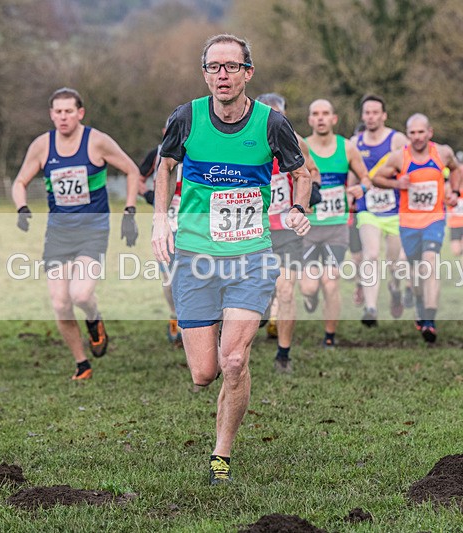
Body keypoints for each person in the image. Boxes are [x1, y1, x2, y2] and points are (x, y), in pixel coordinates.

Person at [150, 34, 311, 485]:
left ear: (247, 73)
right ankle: (220, 341)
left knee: (234, 362)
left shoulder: (271, 124)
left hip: (250, 256)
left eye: (232, 66)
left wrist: (298, 208)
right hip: (197, 256)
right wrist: (161, 220)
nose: (223, 74)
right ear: (205, 74)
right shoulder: (187, 117)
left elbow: (301, 173)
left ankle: (221, 453)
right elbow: (164, 166)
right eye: (214, 67)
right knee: (204, 373)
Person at [11, 87, 142, 380]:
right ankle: (82, 363)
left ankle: (94, 321)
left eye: (69, 111)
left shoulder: (97, 142)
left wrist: (130, 211)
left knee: (81, 294)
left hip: (92, 230)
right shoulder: (42, 146)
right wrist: (21, 208)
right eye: (57, 112)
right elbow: (20, 181)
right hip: (58, 232)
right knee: (60, 303)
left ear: (80, 113)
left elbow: (132, 170)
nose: (63, 117)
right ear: (51, 115)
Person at [371, 113, 461, 344]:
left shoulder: (442, 153)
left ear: (429, 132)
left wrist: (455, 191)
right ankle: (421, 305)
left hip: (434, 219)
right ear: (407, 134)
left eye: (421, 132)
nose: (417, 137)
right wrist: (395, 183)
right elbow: (376, 178)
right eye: (412, 133)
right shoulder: (399, 157)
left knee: (430, 262)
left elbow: (457, 170)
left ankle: (429, 320)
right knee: (415, 276)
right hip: (408, 223)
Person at [255, 92, 321, 374]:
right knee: (257, 291)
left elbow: (312, 171)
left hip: (288, 229)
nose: (273, 121)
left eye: (278, 115)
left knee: (286, 290)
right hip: (254, 229)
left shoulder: (296, 141)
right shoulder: (247, 141)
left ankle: (283, 354)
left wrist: (309, 195)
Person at [300, 98, 369, 347]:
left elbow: (366, 178)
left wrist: (360, 188)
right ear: (310, 120)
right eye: (315, 113)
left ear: (334, 118)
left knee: (331, 283)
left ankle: (329, 337)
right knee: (308, 287)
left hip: (336, 227)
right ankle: (310, 298)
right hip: (307, 228)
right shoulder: (302, 147)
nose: (320, 118)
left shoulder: (348, 147)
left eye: (325, 113)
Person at [350, 95, 408, 326]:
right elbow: (352, 176)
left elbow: (408, 169)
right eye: (367, 113)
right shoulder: (355, 142)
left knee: (395, 264)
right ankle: (371, 308)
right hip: (368, 210)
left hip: (394, 210)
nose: (371, 117)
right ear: (362, 116)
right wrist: (351, 192)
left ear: (384, 115)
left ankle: (395, 288)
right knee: (371, 254)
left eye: (376, 112)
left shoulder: (397, 140)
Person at [140, 123, 184, 344]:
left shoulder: (200, 152)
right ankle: (175, 316)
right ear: (164, 132)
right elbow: (137, 181)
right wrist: (151, 197)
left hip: (195, 226)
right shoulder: (156, 154)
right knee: (169, 279)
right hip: (166, 226)